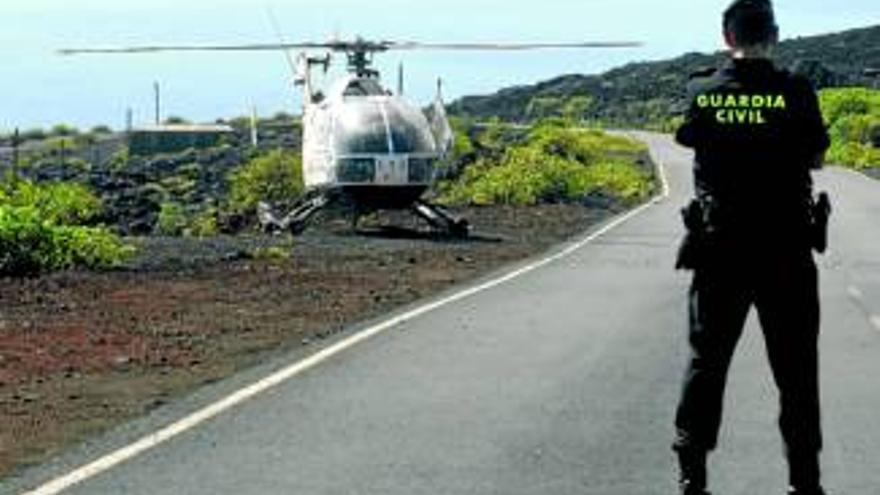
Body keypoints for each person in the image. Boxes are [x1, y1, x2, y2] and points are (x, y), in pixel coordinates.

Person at [672, 1, 831, 494]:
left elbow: (688, 139)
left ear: (727, 36)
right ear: (775, 36)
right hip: (785, 250)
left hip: (721, 250)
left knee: (707, 363)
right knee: (796, 370)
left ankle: (692, 477)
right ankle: (804, 483)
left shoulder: (702, 89)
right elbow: (819, 158)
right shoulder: (797, 92)